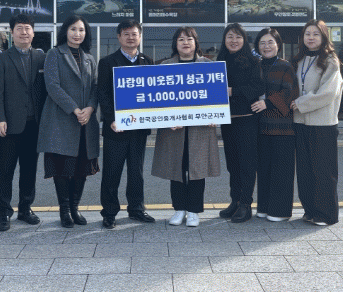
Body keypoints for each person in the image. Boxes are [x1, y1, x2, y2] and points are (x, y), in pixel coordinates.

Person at [151, 27, 220, 227]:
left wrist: (216, 114)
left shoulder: (208, 65)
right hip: (174, 129)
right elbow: (157, 99)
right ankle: (179, 209)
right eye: (181, 39)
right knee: (177, 169)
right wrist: (165, 119)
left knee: (197, 169)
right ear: (176, 43)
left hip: (200, 129)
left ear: (196, 43)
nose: (185, 43)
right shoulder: (165, 66)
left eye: (189, 39)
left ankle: (194, 211)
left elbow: (216, 96)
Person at [38, 15, 100, 228]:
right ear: (65, 31)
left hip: (85, 122)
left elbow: (95, 87)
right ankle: (64, 210)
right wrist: (75, 109)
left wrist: (90, 109)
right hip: (61, 119)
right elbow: (52, 86)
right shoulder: (54, 54)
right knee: (63, 168)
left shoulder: (89, 58)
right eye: (73, 29)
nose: (77, 34)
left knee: (81, 167)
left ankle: (75, 208)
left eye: (81, 30)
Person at [0, 14, 47, 231]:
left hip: (35, 125)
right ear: (12, 32)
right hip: (9, 125)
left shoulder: (42, 58)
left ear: (33, 32)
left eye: (27, 28)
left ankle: (25, 208)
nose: (24, 32)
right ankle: (3, 212)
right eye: (19, 28)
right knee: (5, 171)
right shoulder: (1, 59)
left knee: (29, 170)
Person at [97, 20, 155, 229]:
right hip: (116, 128)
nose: (131, 37)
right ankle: (109, 212)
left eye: (134, 34)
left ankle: (136, 209)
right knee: (112, 172)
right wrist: (111, 119)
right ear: (119, 37)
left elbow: (153, 94)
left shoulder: (147, 61)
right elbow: (103, 94)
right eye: (126, 34)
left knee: (136, 172)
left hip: (139, 129)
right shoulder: (107, 62)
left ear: (140, 36)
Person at [290, 19, 343, 226]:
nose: (311, 38)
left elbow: (328, 93)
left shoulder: (330, 61)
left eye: (315, 34)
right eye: (307, 34)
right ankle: (310, 210)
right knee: (305, 171)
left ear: (323, 37)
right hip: (300, 122)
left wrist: (300, 103)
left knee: (323, 171)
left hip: (323, 124)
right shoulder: (299, 60)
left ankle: (326, 214)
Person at [216, 23, 264, 223]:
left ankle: (246, 204)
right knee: (232, 164)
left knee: (247, 163)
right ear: (224, 40)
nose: (233, 41)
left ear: (244, 40)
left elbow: (258, 86)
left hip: (247, 120)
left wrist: (232, 91)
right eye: (230, 37)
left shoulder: (254, 61)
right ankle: (235, 201)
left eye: (238, 37)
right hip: (227, 121)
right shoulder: (219, 61)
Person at [250, 27, 298, 221]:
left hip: (282, 129)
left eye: (270, 42)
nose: (266, 46)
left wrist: (267, 103)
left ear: (278, 45)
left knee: (281, 171)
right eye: (262, 43)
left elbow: (289, 93)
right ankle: (263, 207)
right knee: (264, 170)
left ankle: (280, 211)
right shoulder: (256, 66)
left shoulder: (285, 66)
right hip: (261, 128)